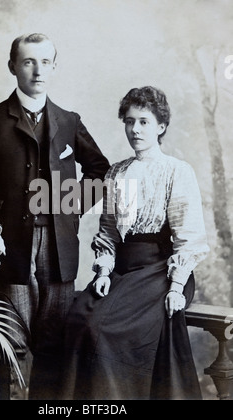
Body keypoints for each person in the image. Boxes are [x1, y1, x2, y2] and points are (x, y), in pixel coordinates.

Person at [0, 33, 110, 400]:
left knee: (54, 346)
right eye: (28, 62)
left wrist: (68, 208)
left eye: (46, 62)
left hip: (60, 250)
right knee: (12, 346)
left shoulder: (69, 121)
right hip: (11, 250)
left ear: (55, 67)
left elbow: (101, 172)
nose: (38, 71)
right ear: (12, 67)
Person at [59, 86, 210, 400]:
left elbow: (188, 237)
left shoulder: (176, 171)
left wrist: (176, 287)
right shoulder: (116, 174)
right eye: (129, 121)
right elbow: (109, 234)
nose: (135, 129)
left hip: (161, 270)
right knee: (77, 320)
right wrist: (102, 273)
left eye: (143, 121)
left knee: (104, 329)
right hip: (122, 271)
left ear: (161, 126)